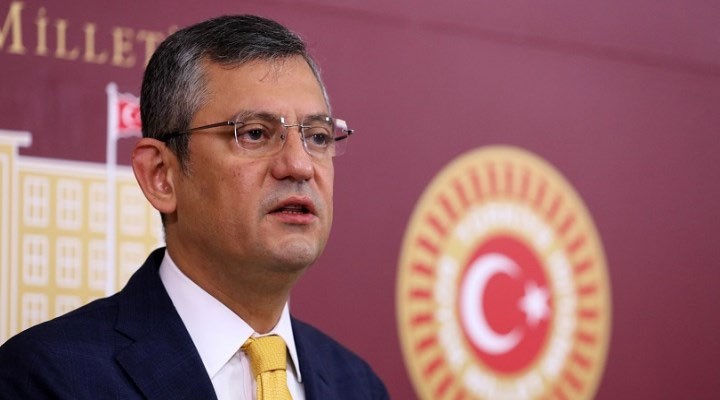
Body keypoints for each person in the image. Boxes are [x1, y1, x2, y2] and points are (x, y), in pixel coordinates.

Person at [0, 15, 389, 399]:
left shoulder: (358, 386)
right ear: (161, 175)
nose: (300, 166)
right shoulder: (47, 379)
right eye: (255, 133)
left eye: (317, 137)